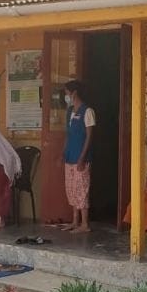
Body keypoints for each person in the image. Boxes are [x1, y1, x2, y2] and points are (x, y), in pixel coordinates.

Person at [62, 80, 96, 233]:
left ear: (74, 92)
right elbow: (68, 135)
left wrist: (82, 157)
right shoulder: (70, 111)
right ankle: (74, 221)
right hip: (70, 156)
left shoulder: (88, 111)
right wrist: (63, 154)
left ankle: (84, 224)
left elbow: (89, 136)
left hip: (81, 157)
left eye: (66, 92)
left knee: (82, 189)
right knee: (72, 188)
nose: (65, 95)